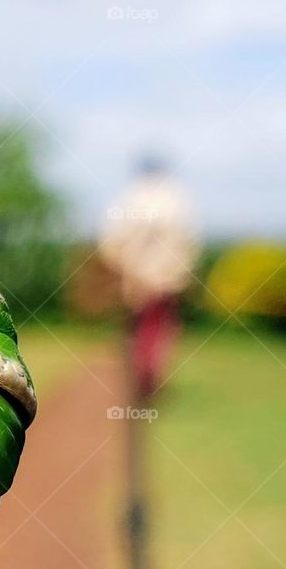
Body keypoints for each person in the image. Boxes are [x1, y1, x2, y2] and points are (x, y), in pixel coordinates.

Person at [98, 157, 199, 399]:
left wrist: (124, 269)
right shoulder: (177, 199)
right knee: (159, 329)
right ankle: (147, 379)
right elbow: (188, 241)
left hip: (135, 279)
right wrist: (178, 274)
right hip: (165, 279)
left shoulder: (128, 198)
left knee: (140, 328)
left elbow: (112, 241)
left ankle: (141, 379)